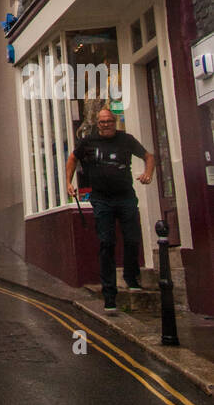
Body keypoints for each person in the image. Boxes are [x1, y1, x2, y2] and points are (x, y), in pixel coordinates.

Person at [66, 107, 155, 314]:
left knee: (132, 238)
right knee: (106, 243)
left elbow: (148, 156)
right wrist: (68, 182)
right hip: (101, 199)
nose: (106, 125)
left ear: (114, 122)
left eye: (109, 121)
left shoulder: (126, 140)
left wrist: (147, 174)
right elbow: (72, 158)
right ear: (98, 124)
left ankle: (131, 278)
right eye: (102, 122)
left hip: (125, 197)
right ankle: (109, 296)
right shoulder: (88, 142)